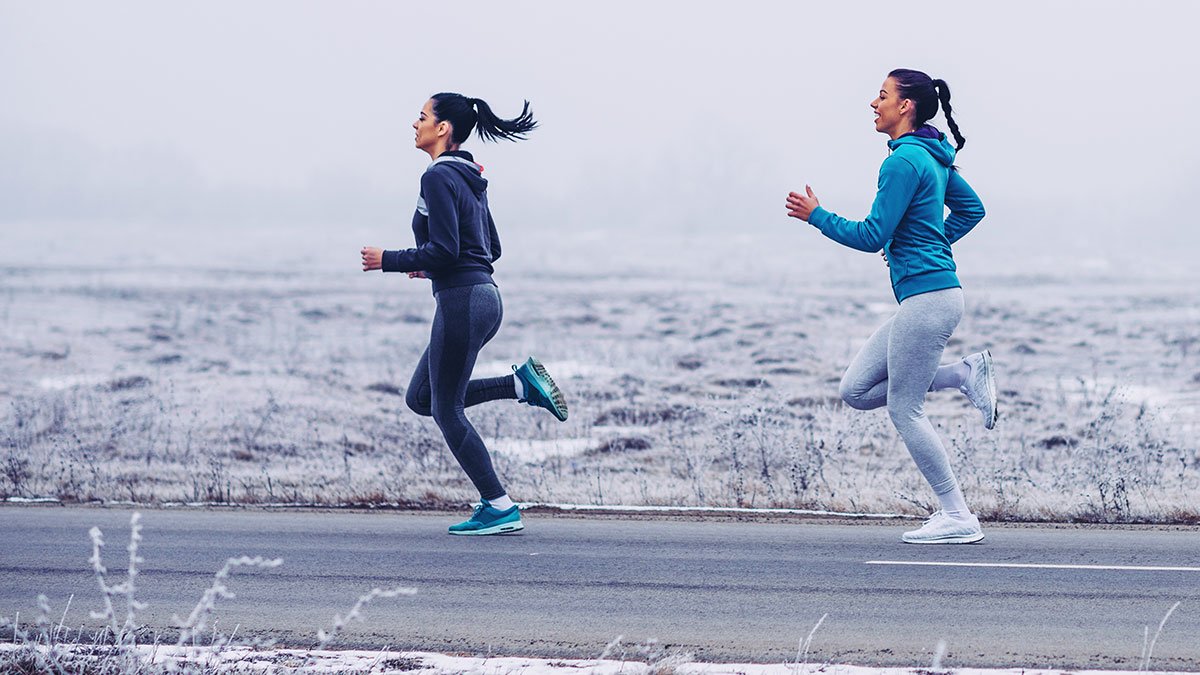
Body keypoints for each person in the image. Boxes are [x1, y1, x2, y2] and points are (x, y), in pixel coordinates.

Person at [785, 69, 997, 544]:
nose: (873, 103)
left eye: (882, 95)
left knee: (905, 408)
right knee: (856, 390)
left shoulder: (903, 162)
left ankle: (958, 515)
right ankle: (962, 374)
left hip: (929, 299)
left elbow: (870, 235)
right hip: (930, 297)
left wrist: (817, 216)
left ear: (906, 106)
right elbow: (972, 210)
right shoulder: (931, 155)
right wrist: (924, 243)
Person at [361, 93, 568, 536]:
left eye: (421, 116)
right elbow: (490, 249)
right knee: (422, 399)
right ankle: (519, 385)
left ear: (442, 129)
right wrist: (428, 265)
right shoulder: (469, 177)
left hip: (462, 301)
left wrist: (389, 259)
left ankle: (499, 506)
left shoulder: (438, 176)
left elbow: (446, 249)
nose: (414, 123)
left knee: (447, 410)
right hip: (484, 298)